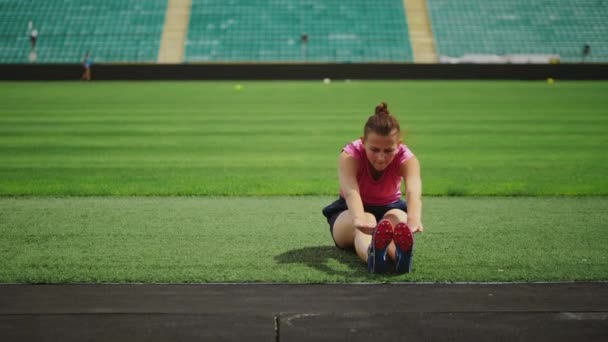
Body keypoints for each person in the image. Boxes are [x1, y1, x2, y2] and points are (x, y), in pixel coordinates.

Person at [322, 103, 423, 274]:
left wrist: (413, 219)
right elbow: (350, 191)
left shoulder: (407, 159)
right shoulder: (350, 155)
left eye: (388, 150)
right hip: (349, 211)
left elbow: (413, 191)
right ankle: (373, 257)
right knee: (367, 220)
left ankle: (400, 257)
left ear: (399, 145)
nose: (381, 158)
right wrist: (359, 218)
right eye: (374, 150)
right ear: (363, 142)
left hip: (391, 206)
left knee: (397, 218)